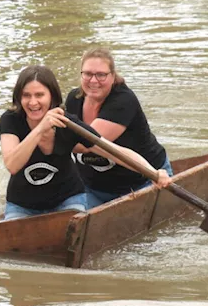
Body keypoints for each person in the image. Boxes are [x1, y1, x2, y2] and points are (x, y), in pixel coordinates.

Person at [63, 48, 172, 208]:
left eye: (101, 75)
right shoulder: (74, 99)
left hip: (144, 181)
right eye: (87, 74)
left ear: (113, 76)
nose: (93, 81)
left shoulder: (123, 101)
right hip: (93, 188)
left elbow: (84, 144)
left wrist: (48, 137)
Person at [0, 65, 88, 220]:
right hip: (22, 205)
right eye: (26, 95)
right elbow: (12, 165)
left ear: (52, 97)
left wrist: (145, 170)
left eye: (39, 95)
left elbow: (109, 148)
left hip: (68, 200)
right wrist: (40, 129)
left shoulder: (66, 121)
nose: (33, 102)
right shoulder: (10, 119)